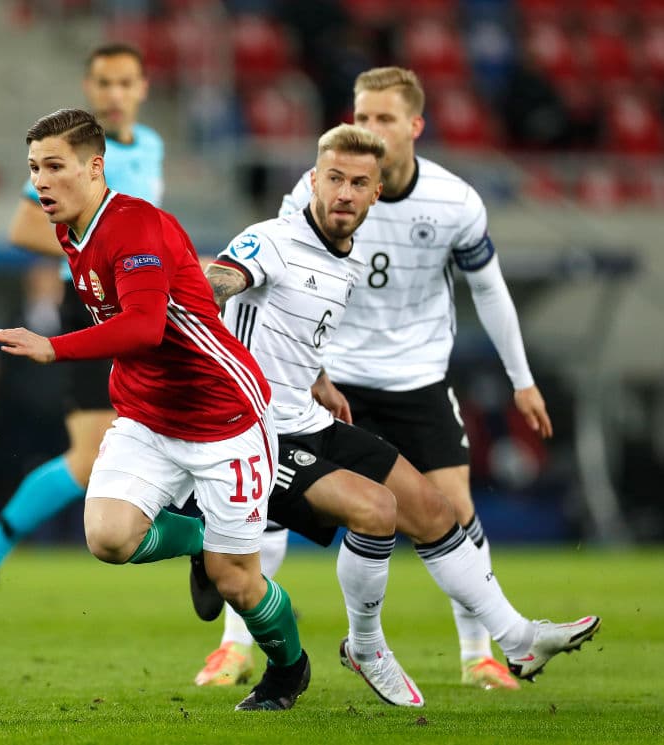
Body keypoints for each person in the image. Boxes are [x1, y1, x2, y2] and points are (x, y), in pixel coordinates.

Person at [199, 119, 600, 697]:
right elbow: (221, 281)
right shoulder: (271, 238)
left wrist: (320, 378)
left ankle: (518, 640)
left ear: (375, 193)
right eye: (333, 178)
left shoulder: (347, 261)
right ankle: (362, 645)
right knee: (376, 511)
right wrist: (186, 310)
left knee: (435, 511)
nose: (344, 193)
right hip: (258, 434)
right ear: (312, 180)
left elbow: (290, 330)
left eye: (358, 183)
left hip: (309, 418)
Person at [0, 107, 310, 711]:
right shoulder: (69, 229)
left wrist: (53, 346)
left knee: (238, 581)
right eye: (33, 169)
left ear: (95, 167)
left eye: (54, 166)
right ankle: (203, 540)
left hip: (224, 417)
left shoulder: (133, 225)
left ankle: (288, 668)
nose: (41, 182)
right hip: (148, 417)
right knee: (107, 537)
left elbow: (143, 327)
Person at [0, 42, 164, 626]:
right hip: (92, 304)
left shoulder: (149, 146)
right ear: (90, 88)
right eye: (104, 83)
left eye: (126, 82)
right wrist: (108, 258)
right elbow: (25, 227)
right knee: (94, 453)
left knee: (158, 433)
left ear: (143, 87)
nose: (116, 94)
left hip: (145, 302)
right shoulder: (70, 153)